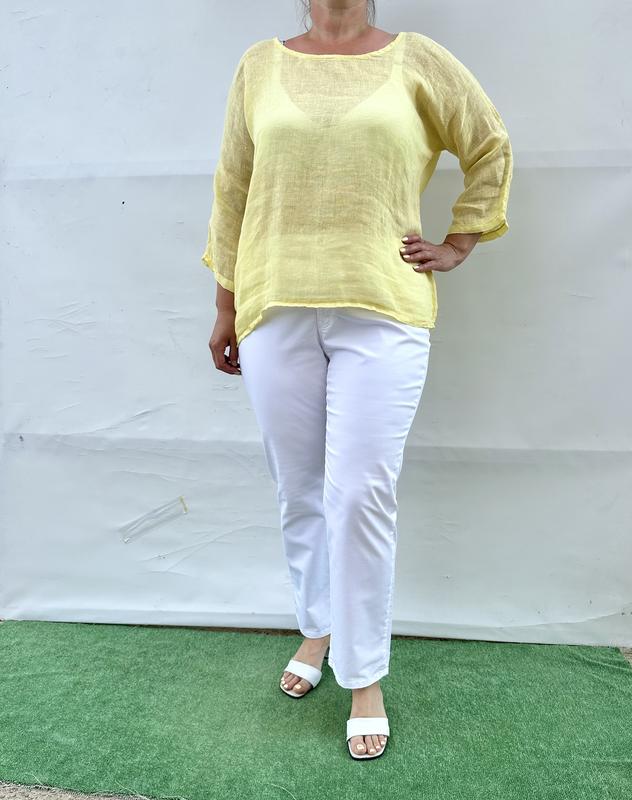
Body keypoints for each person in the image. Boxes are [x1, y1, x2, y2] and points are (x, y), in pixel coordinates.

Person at [201, 0, 513, 761]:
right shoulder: (259, 65)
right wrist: (225, 307)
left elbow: (489, 144)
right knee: (300, 489)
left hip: (383, 310)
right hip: (275, 306)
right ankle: (318, 629)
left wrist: (459, 242)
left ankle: (364, 675)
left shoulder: (417, 59)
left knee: (360, 493)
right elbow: (233, 190)